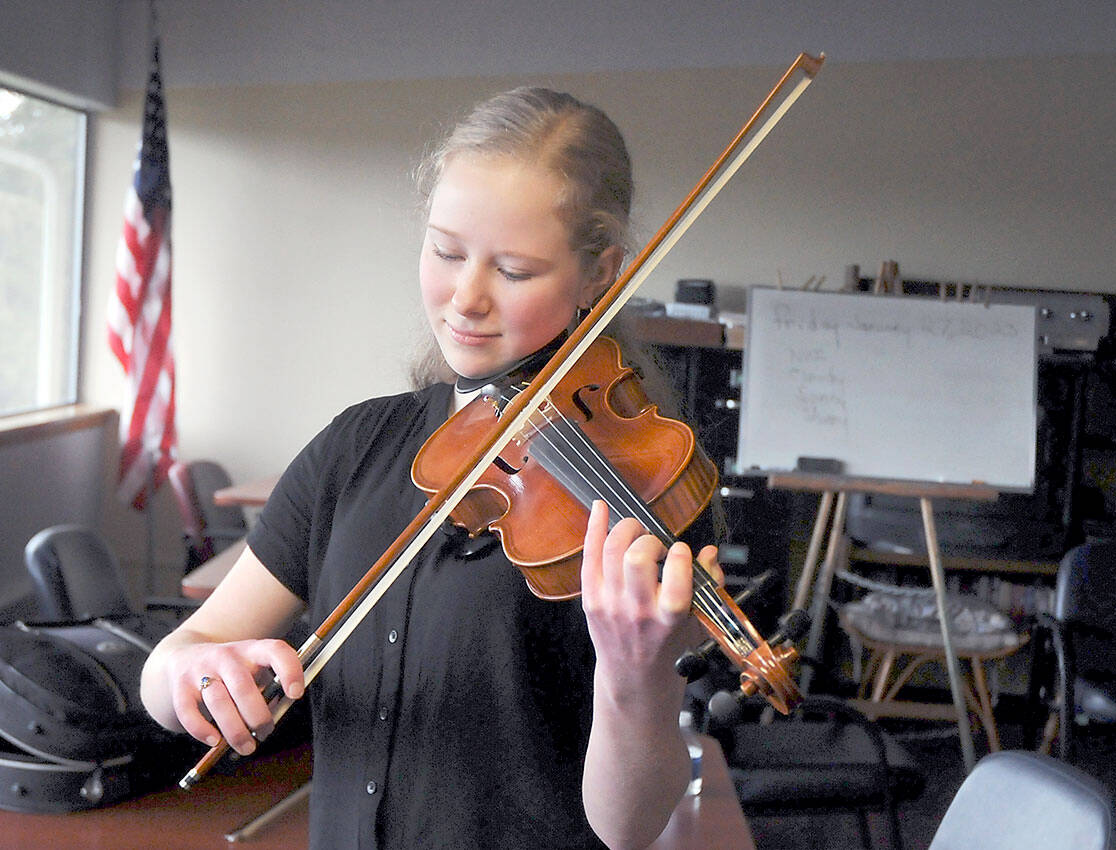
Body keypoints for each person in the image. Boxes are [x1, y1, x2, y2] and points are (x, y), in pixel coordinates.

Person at [140, 86, 724, 850]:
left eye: (514, 271)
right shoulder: (353, 448)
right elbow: (177, 658)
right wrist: (192, 674)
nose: (466, 297)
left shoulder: (642, 487)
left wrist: (632, 677)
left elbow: (631, 826)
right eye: (446, 251)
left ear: (599, 275)